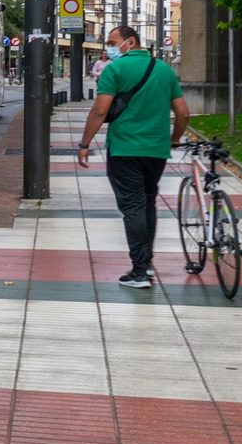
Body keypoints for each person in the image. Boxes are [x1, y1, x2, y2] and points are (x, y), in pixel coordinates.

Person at [77, 25, 190, 288]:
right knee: (147, 202)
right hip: (156, 150)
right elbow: (184, 113)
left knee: (133, 206)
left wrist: (84, 144)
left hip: (125, 148)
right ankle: (146, 265)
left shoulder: (114, 70)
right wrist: (174, 138)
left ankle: (140, 271)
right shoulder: (164, 70)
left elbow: (99, 110)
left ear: (130, 42)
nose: (109, 47)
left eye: (112, 42)